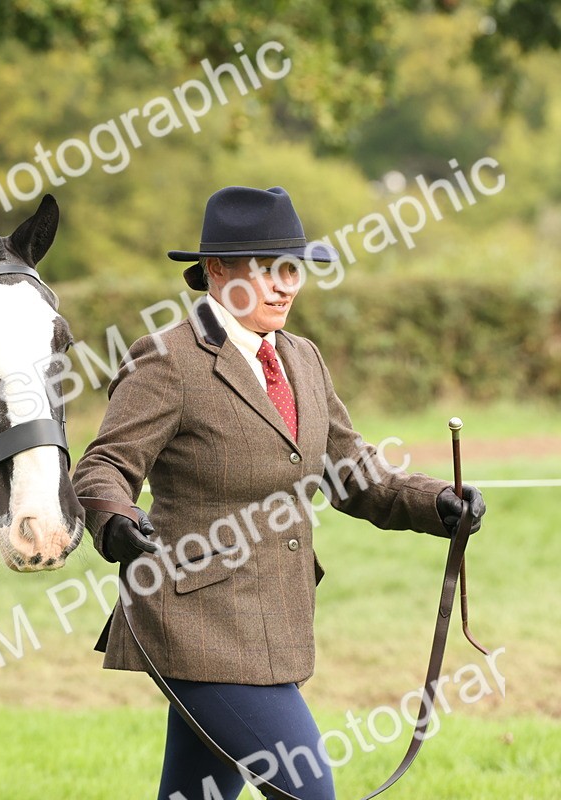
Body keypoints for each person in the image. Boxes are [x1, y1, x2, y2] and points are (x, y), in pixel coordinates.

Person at [72, 185, 486, 800]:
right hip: (193, 618)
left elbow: (355, 473)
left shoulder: (303, 358)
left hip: (275, 619)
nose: (284, 285)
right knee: (309, 790)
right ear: (216, 272)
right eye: (266, 271)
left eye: (292, 269)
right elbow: (102, 466)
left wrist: (438, 503)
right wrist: (115, 519)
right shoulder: (167, 360)